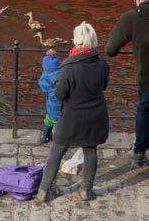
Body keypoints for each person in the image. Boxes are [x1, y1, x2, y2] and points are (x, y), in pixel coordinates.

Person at [36, 21, 110, 203]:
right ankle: (86, 191)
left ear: (76, 41)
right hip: (95, 115)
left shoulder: (68, 67)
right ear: (93, 40)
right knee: (90, 150)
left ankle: (43, 192)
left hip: (71, 117)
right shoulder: (103, 64)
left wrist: (56, 82)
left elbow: (60, 95)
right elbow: (103, 86)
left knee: (57, 151)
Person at [105, 0, 149, 168]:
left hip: (146, 78)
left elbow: (110, 50)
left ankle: (139, 152)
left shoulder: (131, 18)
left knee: (144, 111)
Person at [38, 48, 62, 143]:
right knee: (59, 124)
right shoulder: (63, 74)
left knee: (48, 120)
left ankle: (45, 137)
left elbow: (43, 87)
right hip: (62, 107)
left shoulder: (45, 78)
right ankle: (59, 140)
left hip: (51, 106)